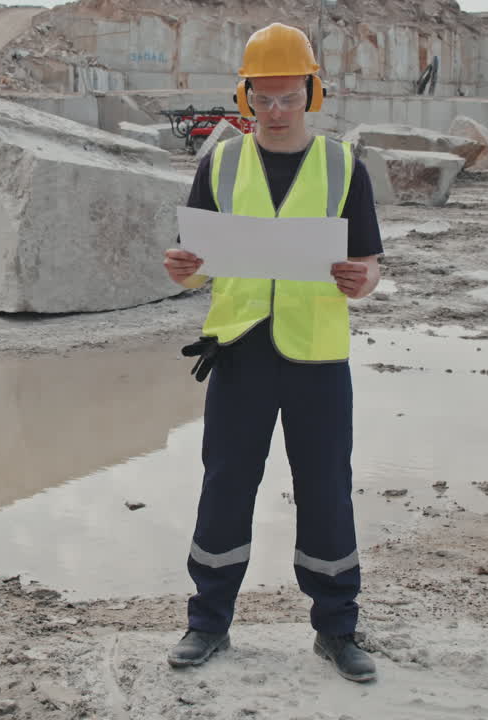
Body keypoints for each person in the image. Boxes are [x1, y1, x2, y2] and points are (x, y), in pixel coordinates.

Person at [161, 22, 383, 683]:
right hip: (238, 353)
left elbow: (369, 265)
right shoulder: (221, 163)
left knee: (325, 492)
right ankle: (208, 623)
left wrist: (361, 280)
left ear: (313, 92)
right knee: (226, 485)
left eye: (289, 97)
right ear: (246, 96)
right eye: (265, 98)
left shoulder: (344, 167)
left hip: (316, 356)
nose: (277, 111)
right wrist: (183, 271)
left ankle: (337, 629)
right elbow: (197, 264)